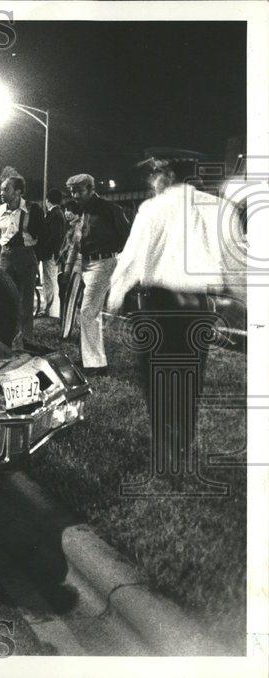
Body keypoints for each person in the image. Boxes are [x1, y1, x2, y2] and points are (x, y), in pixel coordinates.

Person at [107, 154, 245, 482]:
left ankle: (164, 447)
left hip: (158, 303)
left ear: (167, 176)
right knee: (190, 376)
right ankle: (181, 446)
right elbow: (236, 260)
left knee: (156, 375)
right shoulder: (220, 209)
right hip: (198, 306)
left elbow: (134, 257)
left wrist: (115, 295)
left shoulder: (153, 208)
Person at [65, 173, 131, 376]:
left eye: (79, 191)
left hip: (103, 263)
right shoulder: (82, 210)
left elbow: (127, 237)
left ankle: (95, 363)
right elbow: (77, 240)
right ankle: (90, 357)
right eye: (72, 191)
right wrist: (69, 266)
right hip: (85, 262)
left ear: (91, 189)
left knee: (87, 312)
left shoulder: (110, 209)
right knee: (89, 312)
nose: (75, 195)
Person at [0, 176, 46, 348]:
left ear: (18, 191)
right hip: (6, 255)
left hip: (26, 255)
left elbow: (41, 234)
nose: (1, 193)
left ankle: (26, 339)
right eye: (1, 189)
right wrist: (5, 248)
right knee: (5, 295)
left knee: (26, 299)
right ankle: (6, 335)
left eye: (5, 189)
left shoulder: (32, 209)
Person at [37, 188, 67, 318]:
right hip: (52, 253)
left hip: (50, 254)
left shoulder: (55, 214)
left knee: (50, 281)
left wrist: (48, 252)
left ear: (47, 200)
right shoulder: (57, 213)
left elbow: (54, 236)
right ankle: (51, 309)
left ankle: (52, 310)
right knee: (50, 281)